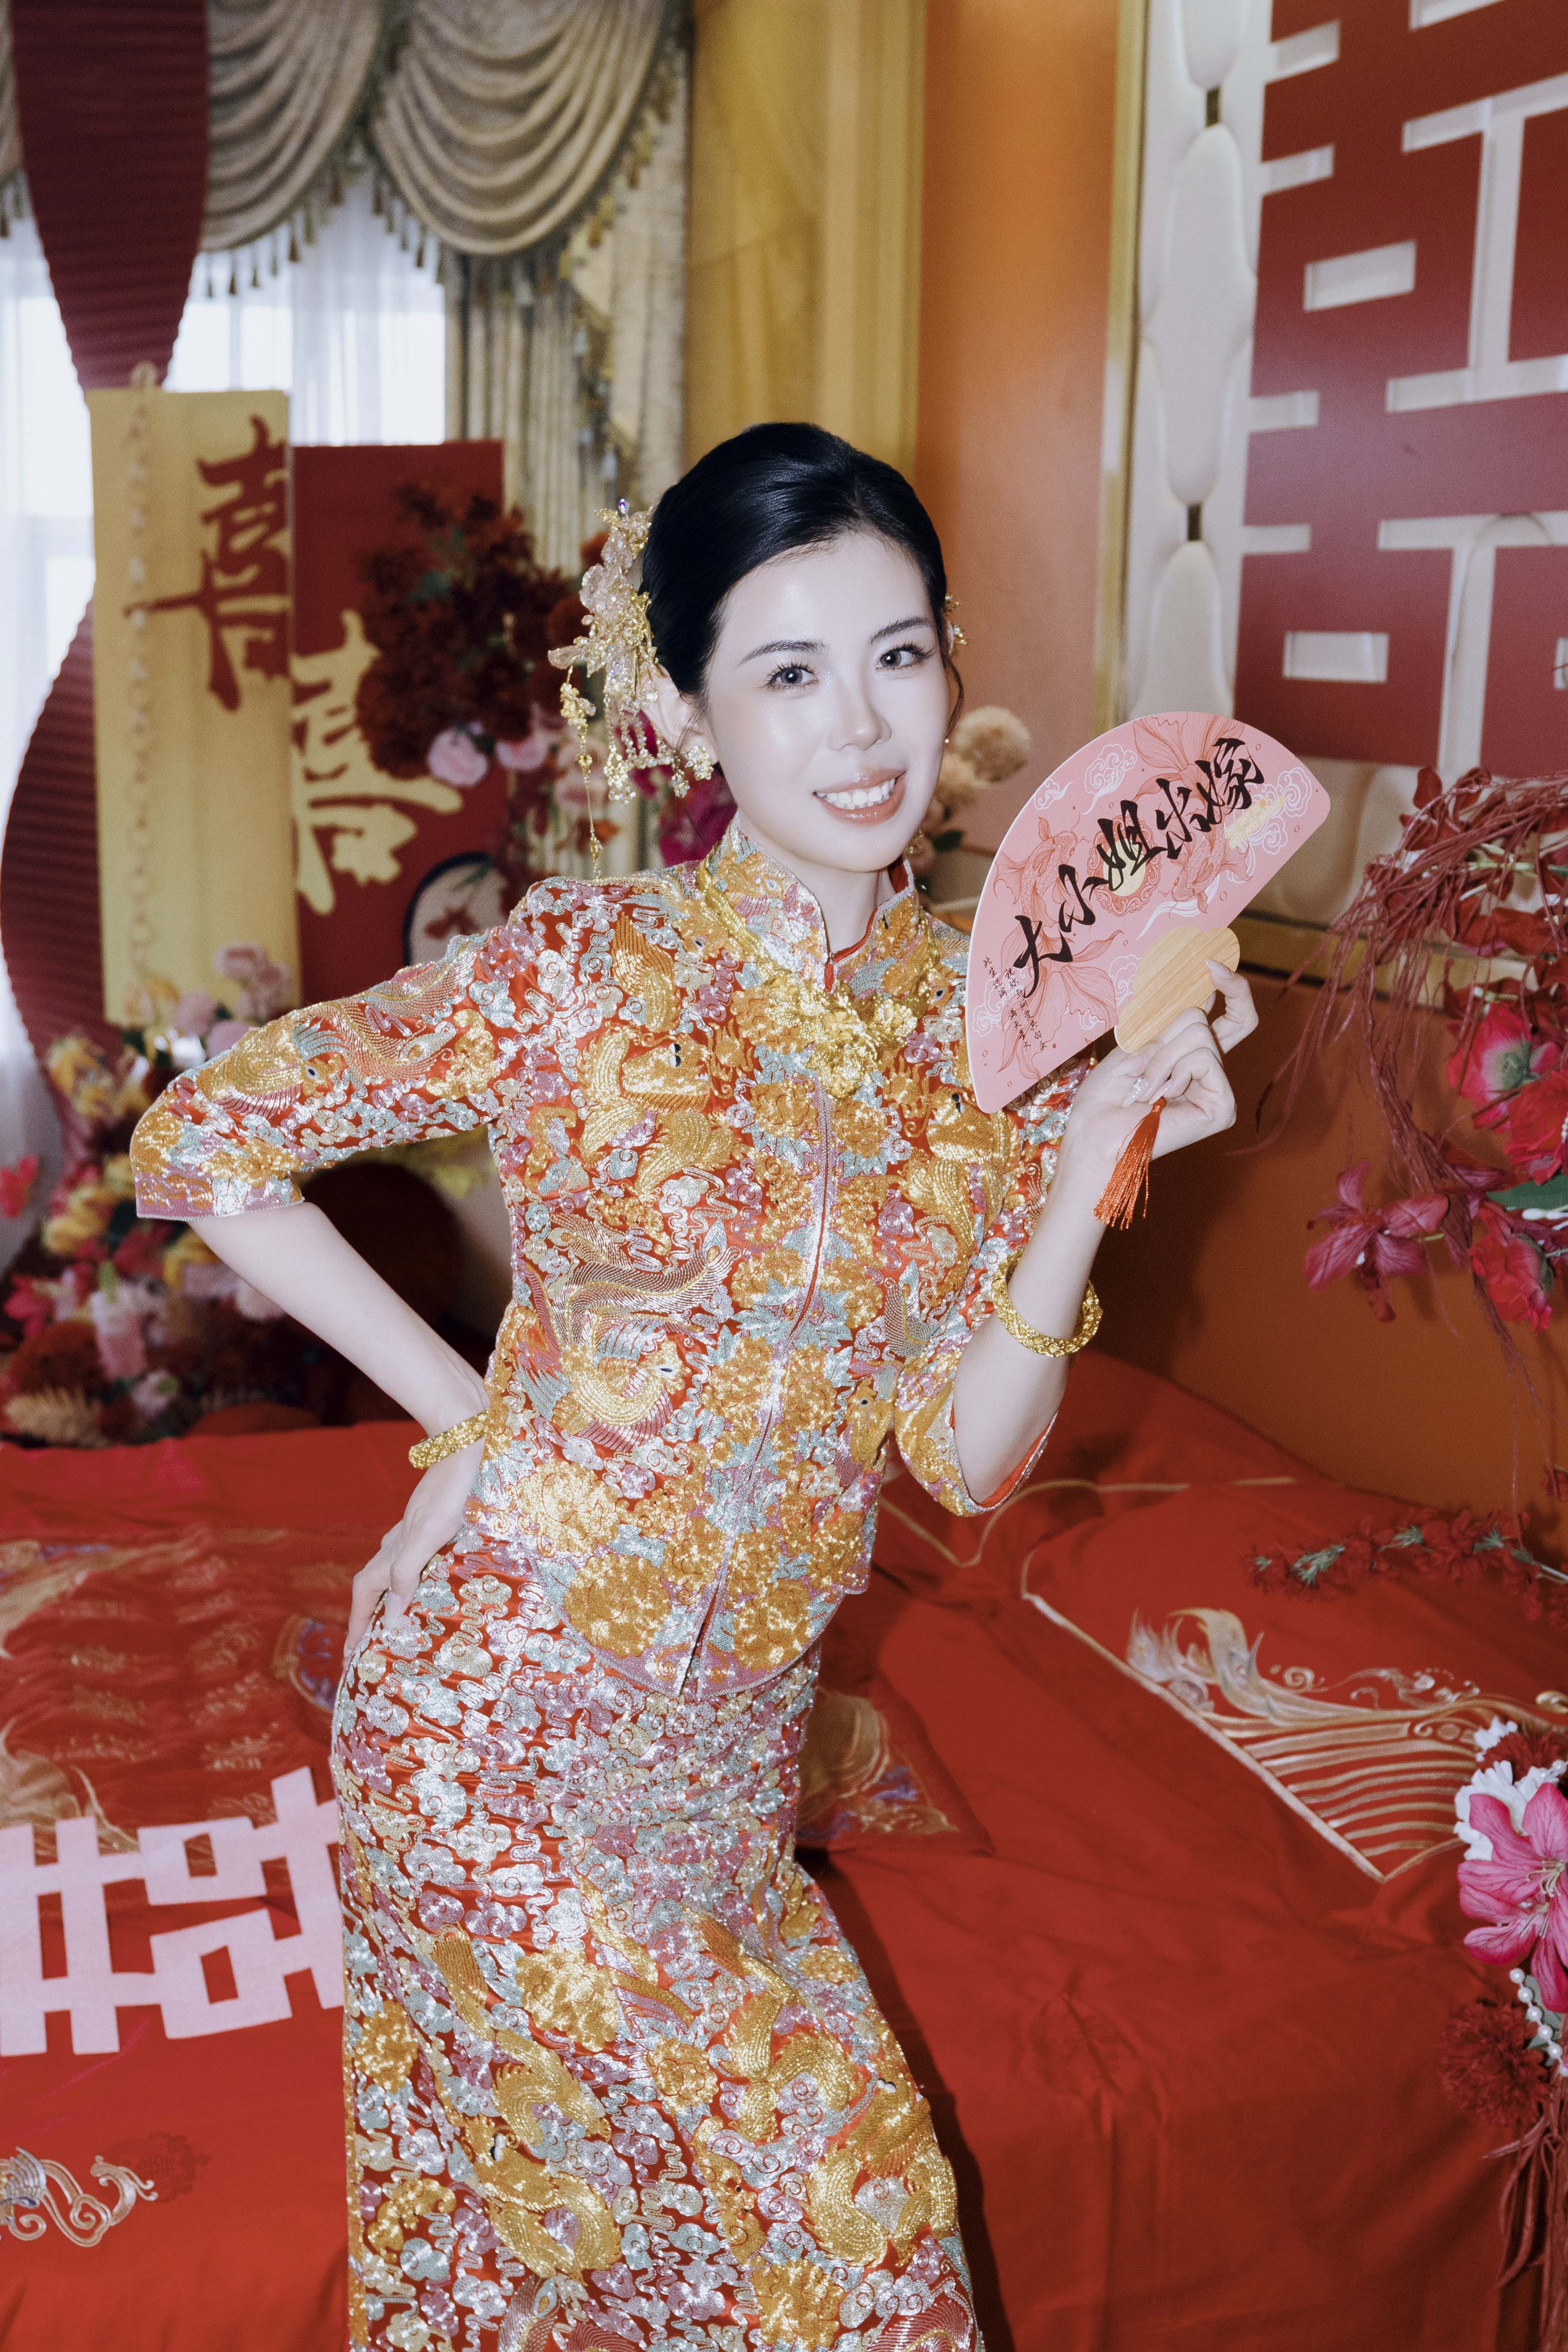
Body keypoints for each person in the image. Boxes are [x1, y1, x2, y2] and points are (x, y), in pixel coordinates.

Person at [131, 422, 1255, 2352]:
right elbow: (204, 1144)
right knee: (849, 2227)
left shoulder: (982, 1036)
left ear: (951, 662)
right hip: (493, 1737)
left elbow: (967, 1464)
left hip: (729, 1779)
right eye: (788, 672)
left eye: (898, 654)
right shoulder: (584, 969)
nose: (862, 728)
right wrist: (469, 1420)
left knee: (663, 2282)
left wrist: (1088, 1182)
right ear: (684, 710)